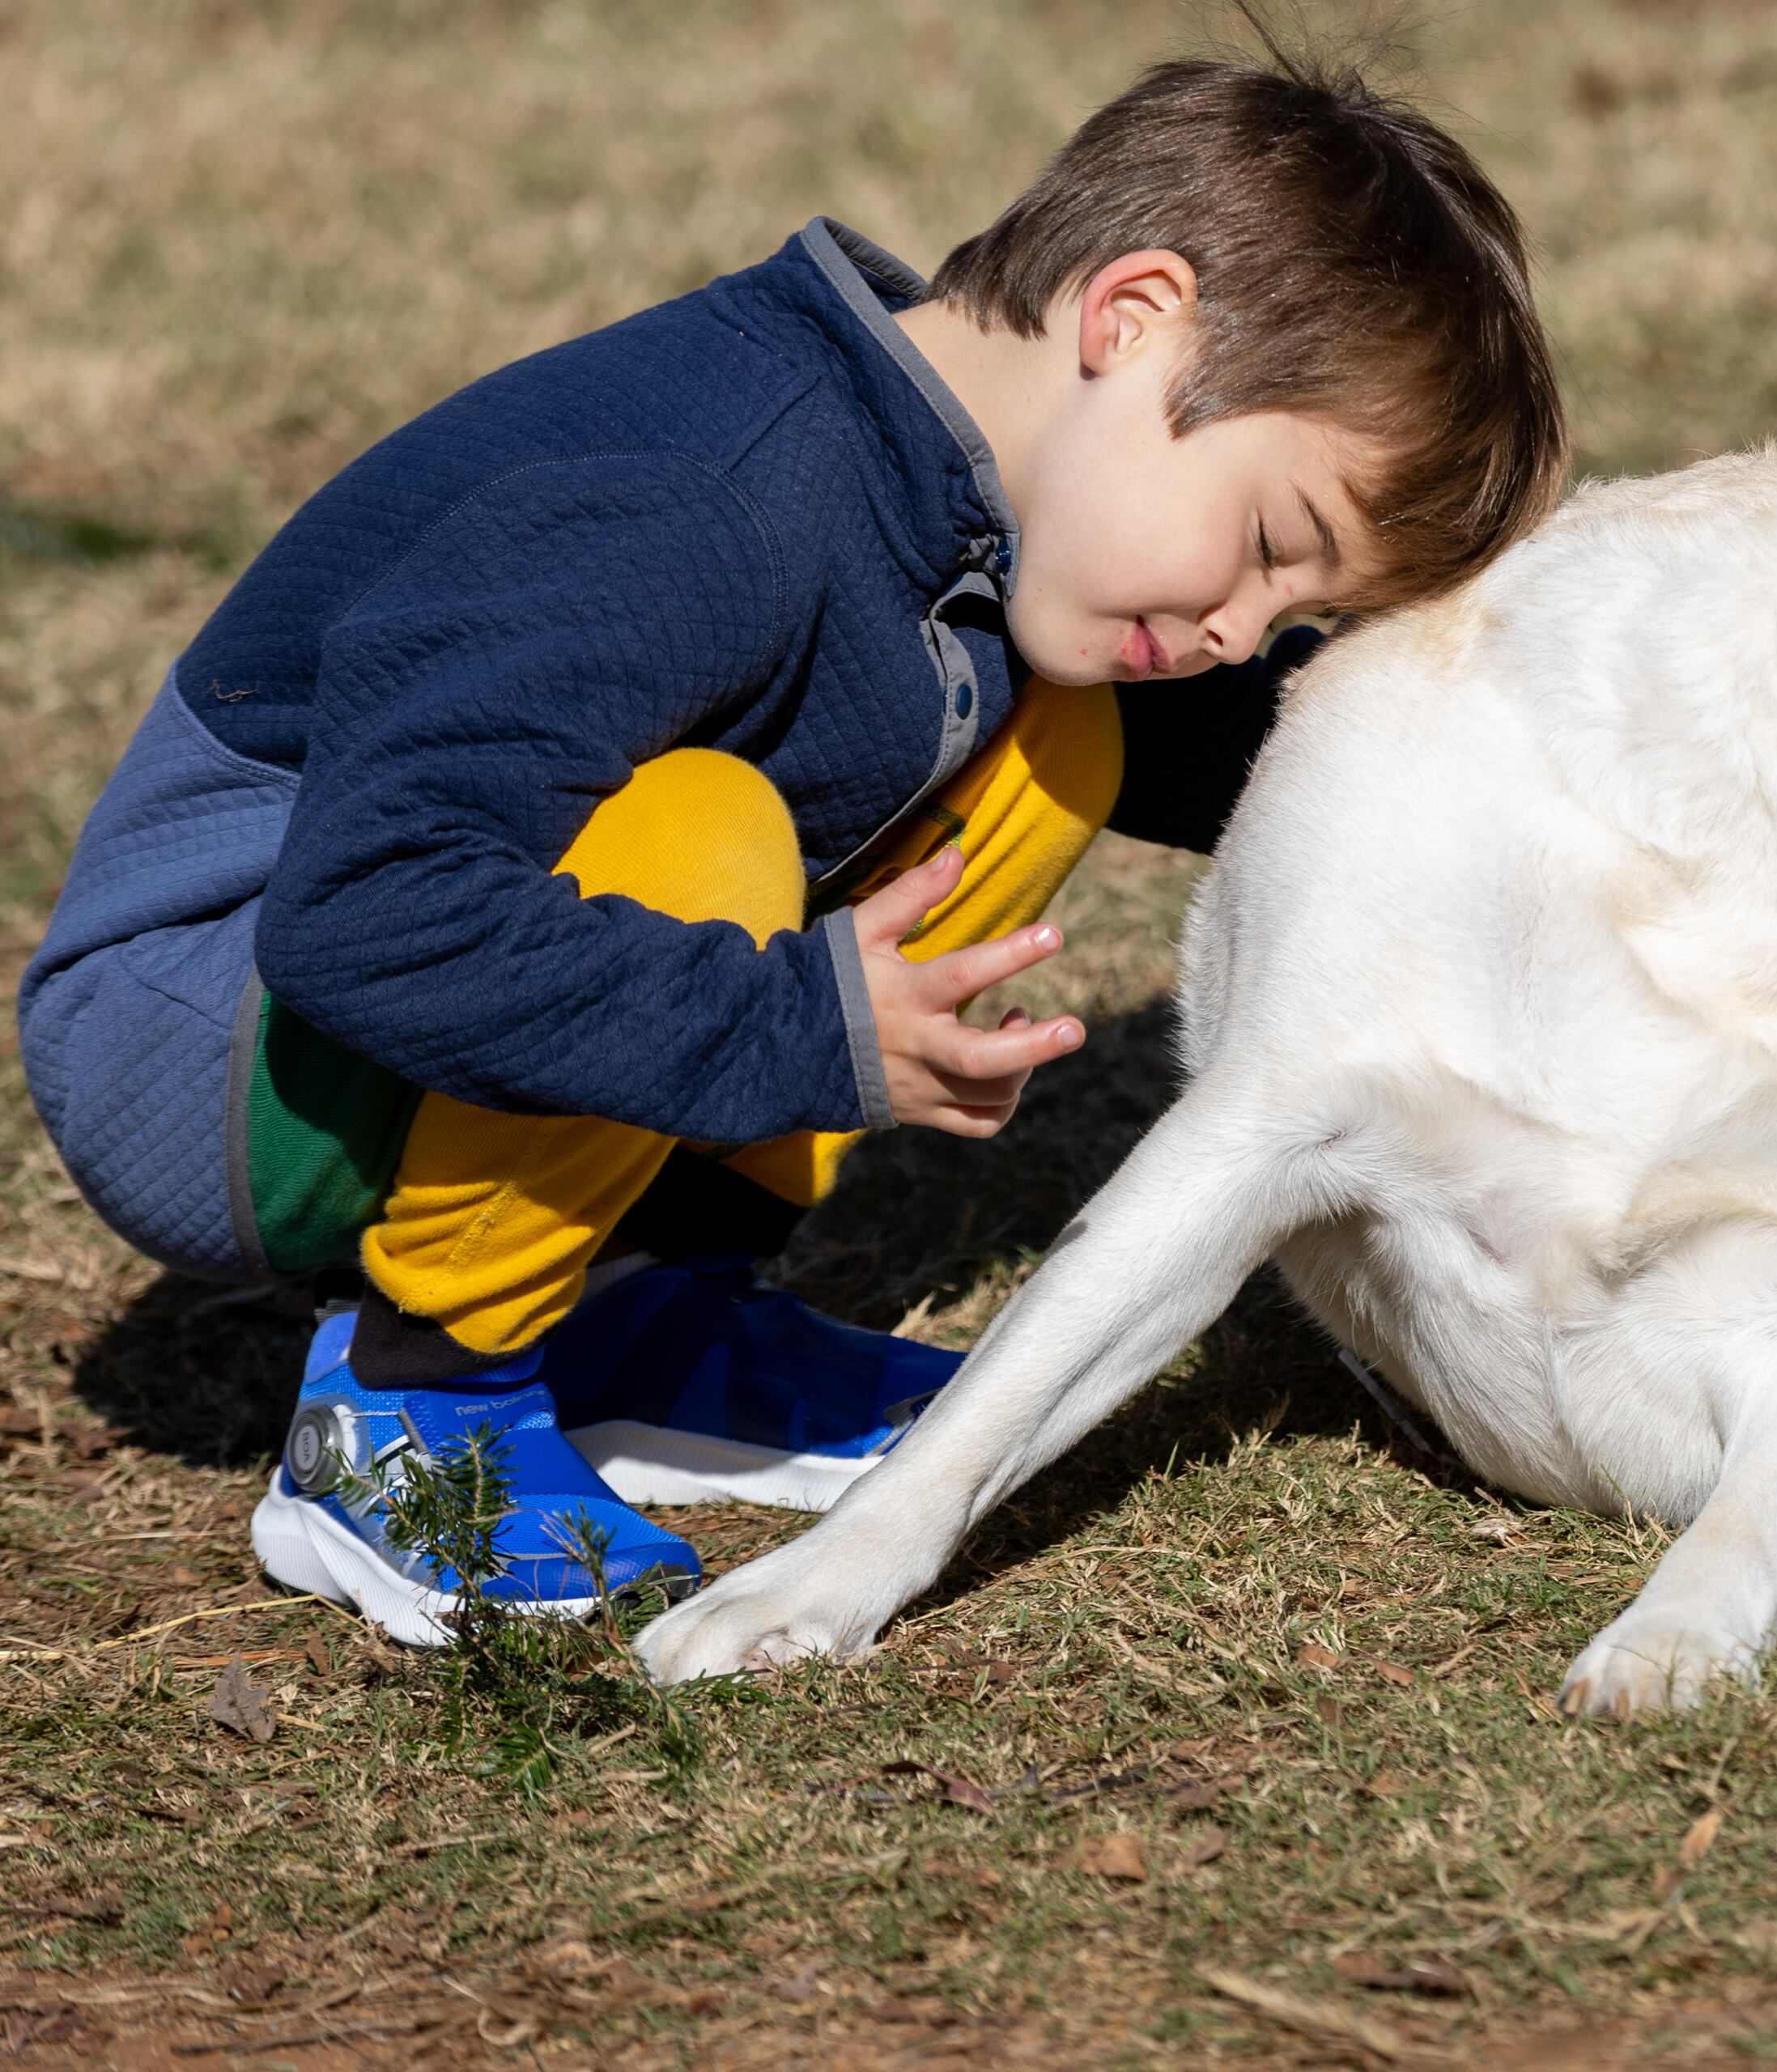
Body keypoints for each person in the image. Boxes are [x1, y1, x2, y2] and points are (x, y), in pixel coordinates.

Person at [15, 49, 1567, 1644]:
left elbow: (1253, 742)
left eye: (1294, 611)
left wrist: (1546, 749)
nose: (1238, 626)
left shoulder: (974, 498)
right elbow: (370, 909)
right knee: (710, 824)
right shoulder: (701, 500)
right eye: (1266, 545)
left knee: (1062, 729)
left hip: (378, 985)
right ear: (1134, 318)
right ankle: (416, 1403)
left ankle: (639, 1322)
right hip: (205, 1027)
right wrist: (802, 1028)